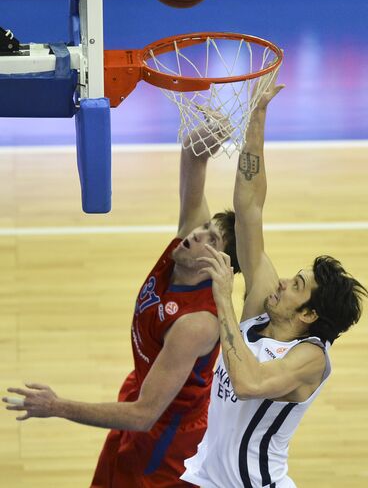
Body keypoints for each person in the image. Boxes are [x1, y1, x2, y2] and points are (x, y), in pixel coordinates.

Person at [3, 118, 240, 488]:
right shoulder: (183, 250)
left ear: (216, 266)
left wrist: (56, 406)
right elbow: (195, 159)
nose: (196, 233)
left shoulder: (197, 324)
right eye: (202, 228)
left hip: (165, 438)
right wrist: (204, 136)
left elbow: (144, 415)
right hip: (139, 393)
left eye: (210, 238)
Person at [181, 71, 367, 488]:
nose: (282, 282)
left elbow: (248, 383)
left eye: (297, 286)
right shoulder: (263, 307)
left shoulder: (310, 358)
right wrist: (257, 116)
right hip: (203, 478)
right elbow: (249, 207)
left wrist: (225, 300)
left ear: (309, 314)